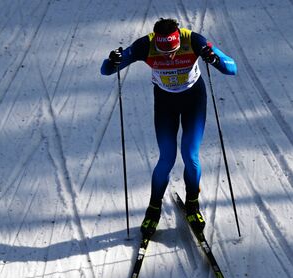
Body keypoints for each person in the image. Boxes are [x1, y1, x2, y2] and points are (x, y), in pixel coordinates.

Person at [101, 18, 237, 238]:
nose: (170, 56)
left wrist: (214, 60)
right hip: (165, 103)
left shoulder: (193, 40)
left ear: (178, 40)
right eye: (164, 53)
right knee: (166, 158)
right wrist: (112, 60)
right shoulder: (145, 45)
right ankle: (153, 209)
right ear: (156, 42)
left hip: (193, 99)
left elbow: (232, 68)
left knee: (190, 155)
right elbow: (106, 71)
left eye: (173, 51)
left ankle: (192, 204)